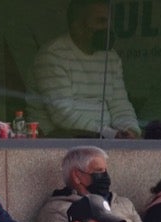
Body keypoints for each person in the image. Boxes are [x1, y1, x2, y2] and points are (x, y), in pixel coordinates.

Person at [30, 0, 140, 138]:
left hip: (105, 138)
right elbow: (62, 115)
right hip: (59, 139)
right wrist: (110, 134)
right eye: (101, 21)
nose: (108, 27)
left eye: (109, 22)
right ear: (77, 26)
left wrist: (130, 130)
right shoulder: (53, 55)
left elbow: (120, 104)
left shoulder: (111, 57)